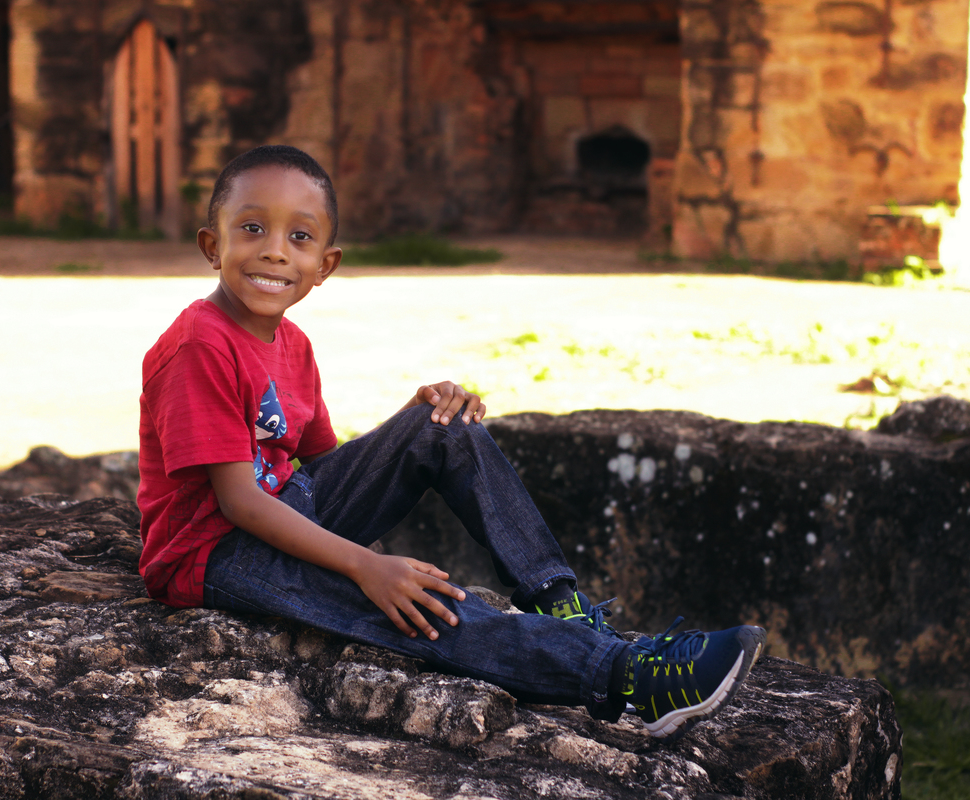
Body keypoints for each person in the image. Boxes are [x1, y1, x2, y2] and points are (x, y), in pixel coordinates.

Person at [136, 144, 765, 739]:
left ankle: (559, 603)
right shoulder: (202, 343)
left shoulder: (290, 343)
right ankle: (627, 678)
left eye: (299, 236)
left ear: (324, 264)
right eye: (252, 229)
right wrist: (366, 566)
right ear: (211, 245)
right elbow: (241, 502)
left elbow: (324, 466)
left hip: (284, 509)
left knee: (443, 426)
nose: (275, 252)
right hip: (214, 553)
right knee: (415, 606)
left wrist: (410, 429)